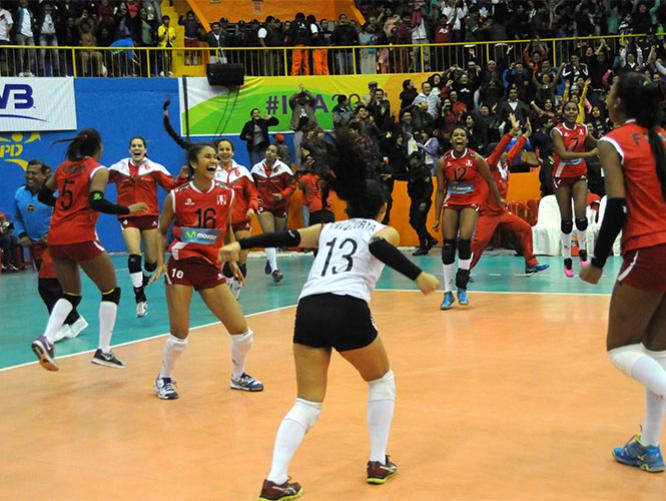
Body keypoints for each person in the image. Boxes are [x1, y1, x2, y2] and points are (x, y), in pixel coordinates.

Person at [218, 130, 440, 501]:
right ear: (382, 208)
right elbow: (378, 245)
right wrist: (418, 275)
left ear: (349, 206)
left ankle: (275, 479)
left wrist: (241, 244)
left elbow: (287, 237)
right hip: (347, 306)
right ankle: (377, 461)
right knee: (381, 380)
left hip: (308, 308)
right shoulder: (384, 229)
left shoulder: (328, 228)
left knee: (307, 403)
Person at [580, 72, 666, 473]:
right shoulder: (663, 136)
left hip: (648, 248)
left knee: (620, 349)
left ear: (618, 104)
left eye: (610, 93)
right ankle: (648, 447)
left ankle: (648, 447)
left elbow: (616, 206)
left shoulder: (612, 141)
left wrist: (596, 263)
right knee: (656, 355)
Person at [150, 141, 263, 400]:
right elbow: (160, 230)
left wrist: (232, 260)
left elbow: (226, 228)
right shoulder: (177, 196)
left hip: (210, 267)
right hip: (182, 265)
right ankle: (164, 377)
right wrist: (160, 262)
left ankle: (238, 376)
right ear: (193, 164)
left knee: (243, 334)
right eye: (208, 157)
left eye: (215, 157)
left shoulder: (227, 194)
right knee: (180, 337)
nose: (213, 161)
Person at [30, 129, 148, 372]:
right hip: (80, 235)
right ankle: (103, 350)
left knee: (71, 293)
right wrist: (127, 210)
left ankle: (47, 339)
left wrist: (66, 206)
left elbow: (43, 194)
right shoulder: (98, 169)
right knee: (111, 291)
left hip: (56, 237)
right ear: (99, 147)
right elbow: (96, 201)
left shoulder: (63, 168)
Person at [109, 137, 188, 317]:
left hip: (150, 217)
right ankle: (140, 297)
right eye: (134, 146)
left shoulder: (154, 168)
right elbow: (99, 180)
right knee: (134, 254)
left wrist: (183, 178)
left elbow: (172, 188)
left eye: (140, 146)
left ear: (145, 149)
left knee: (151, 262)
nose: (137, 148)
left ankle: (142, 279)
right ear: (129, 149)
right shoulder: (119, 168)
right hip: (128, 217)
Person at [433, 126, 504, 310]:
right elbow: (440, 191)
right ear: (451, 140)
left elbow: (490, 181)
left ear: (466, 140)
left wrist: (499, 202)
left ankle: (462, 286)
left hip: (470, 201)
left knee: (464, 241)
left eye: (462, 135)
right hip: (452, 201)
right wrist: (436, 217)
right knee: (448, 245)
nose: (458, 137)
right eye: (455, 134)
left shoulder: (476, 159)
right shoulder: (443, 162)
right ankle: (448, 293)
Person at [471, 115, 550, 274]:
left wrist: (525, 136)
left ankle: (531, 263)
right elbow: (500, 149)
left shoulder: (504, 163)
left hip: (501, 212)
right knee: (479, 242)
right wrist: (510, 134)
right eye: (503, 152)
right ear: (496, 153)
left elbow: (513, 151)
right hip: (487, 213)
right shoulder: (489, 165)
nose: (507, 153)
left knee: (526, 228)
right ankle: (464, 269)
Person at [551, 101, 598, 277]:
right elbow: (563, 154)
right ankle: (566, 259)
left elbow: (596, 143)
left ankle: (583, 253)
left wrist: (610, 139)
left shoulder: (583, 128)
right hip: (561, 177)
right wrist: (588, 154)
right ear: (563, 112)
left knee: (581, 218)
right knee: (567, 221)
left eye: (574, 109)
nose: (571, 112)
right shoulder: (557, 131)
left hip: (579, 174)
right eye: (568, 109)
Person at [215, 138, 258, 298]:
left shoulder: (242, 172)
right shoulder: (211, 173)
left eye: (227, 149)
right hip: (222, 223)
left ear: (232, 152)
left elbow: (253, 193)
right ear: (217, 152)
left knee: (241, 258)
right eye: (221, 149)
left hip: (242, 221)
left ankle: (236, 293)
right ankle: (226, 288)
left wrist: (252, 208)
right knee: (229, 258)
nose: (225, 152)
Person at [251, 144, 296, 283]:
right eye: (268, 150)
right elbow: (251, 186)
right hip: (264, 206)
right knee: (269, 235)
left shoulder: (284, 169)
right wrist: (256, 198)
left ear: (277, 155)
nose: (269, 153)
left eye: (273, 151)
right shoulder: (256, 169)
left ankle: (270, 259)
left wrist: (282, 195)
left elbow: (292, 185)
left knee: (277, 236)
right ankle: (275, 270)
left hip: (280, 206)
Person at [13, 160, 52, 268]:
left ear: (44, 176)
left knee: (53, 279)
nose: (29, 176)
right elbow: (17, 218)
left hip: (54, 245)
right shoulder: (19, 193)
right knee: (43, 278)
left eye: (34, 173)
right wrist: (23, 235)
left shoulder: (55, 193)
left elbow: (63, 218)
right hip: (35, 246)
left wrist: (51, 234)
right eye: (28, 172)